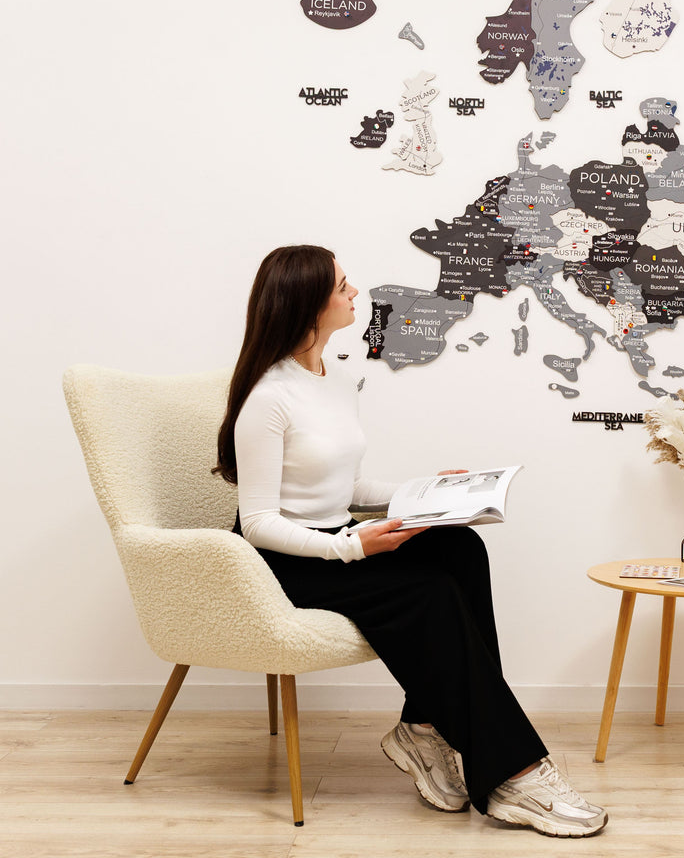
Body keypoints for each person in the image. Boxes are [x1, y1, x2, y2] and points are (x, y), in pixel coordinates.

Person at [214, 245, 607, 838]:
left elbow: (346, 486)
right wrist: (352, 548)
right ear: (308, 304)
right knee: (429, 592)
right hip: (284, 560)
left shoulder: (335, 380)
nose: (354, 293)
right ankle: (514, 773)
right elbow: (260, 522)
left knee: (460, 550)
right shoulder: (268, 398)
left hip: (334, 534)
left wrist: (431, 494)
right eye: (342, 287)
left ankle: (426, 729)